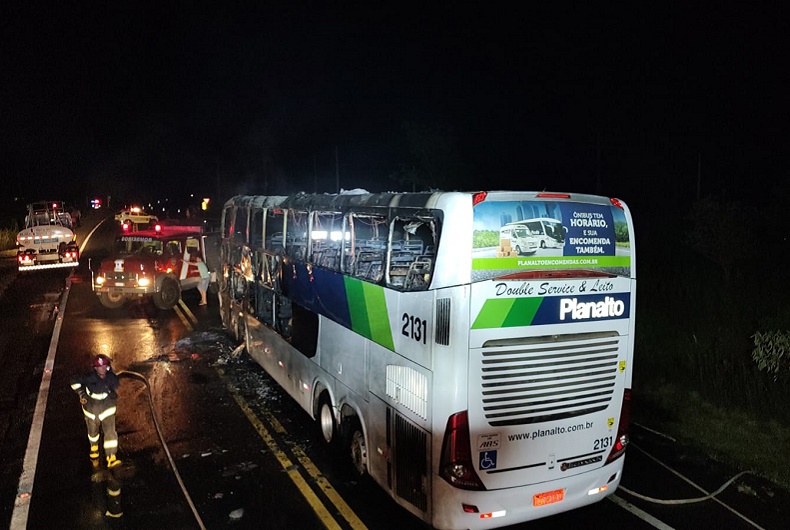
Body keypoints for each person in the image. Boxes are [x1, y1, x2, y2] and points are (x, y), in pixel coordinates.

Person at [70, 354, 122, 468]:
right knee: (93, 433)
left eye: (104, 366)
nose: (102, 369)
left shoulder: (111, 377)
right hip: (91, 411)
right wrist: (81, 393)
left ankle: (111, 457)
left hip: (107, 409)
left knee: (110, 433)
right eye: (99, 367)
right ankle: (94, 447)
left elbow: (115, 384)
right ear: (95, 368)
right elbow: (74, 381)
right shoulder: (88, 378)